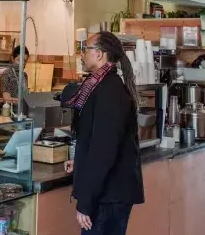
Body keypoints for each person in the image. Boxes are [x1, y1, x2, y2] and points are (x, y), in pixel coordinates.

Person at [62, 31, 144, 235]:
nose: (82, 54)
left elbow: (103, 151)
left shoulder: (110, 92)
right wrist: (80, 162)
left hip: (109, 196)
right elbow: (96, 139)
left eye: (85, 49)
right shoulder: (99, 86)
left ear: (99, 54)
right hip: (107, 192)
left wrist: (86, 202)